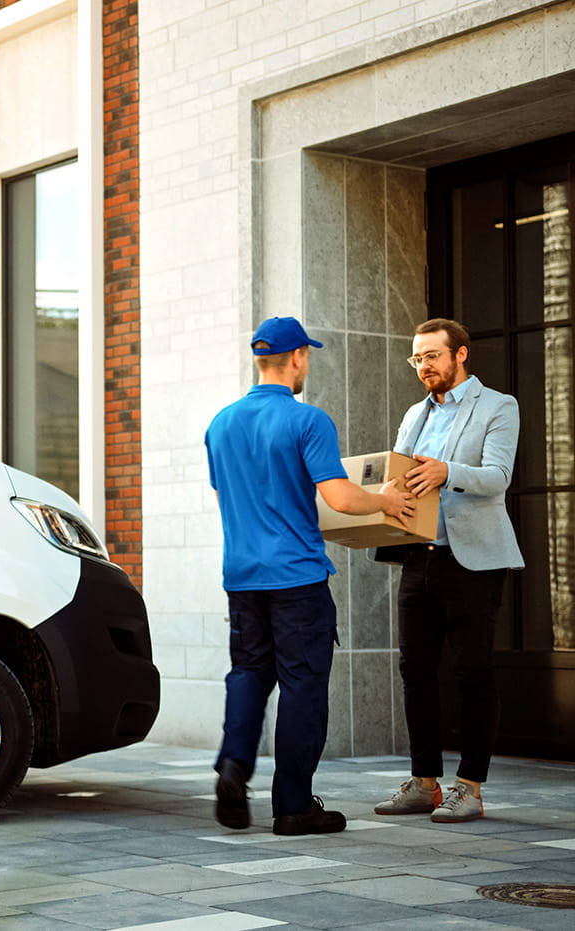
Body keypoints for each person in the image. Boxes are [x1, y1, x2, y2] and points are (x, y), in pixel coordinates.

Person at [206, 316, 413, 836]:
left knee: (249, 674)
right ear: (297, 357)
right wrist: (386, 499)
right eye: (308, 357)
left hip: (242, 576)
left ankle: (233, 767)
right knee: (302, 686)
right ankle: (294, 805)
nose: (307, 366)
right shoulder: (307, 420)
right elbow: (341, 496)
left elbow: (232, 498)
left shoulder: (221, 424)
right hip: (296, 578)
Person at [373, 318, 522, 824]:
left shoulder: (499, 405)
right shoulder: (415, 414)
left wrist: (446, 472)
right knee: (415, 670)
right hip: (420, 554)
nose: (423, 367)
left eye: (432, 356)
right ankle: (425, 782)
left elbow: (499, 477)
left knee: (472, 670)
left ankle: (470, 787)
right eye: (417, 359)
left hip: (473, 558)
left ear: (460, 354)